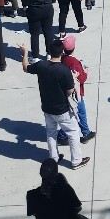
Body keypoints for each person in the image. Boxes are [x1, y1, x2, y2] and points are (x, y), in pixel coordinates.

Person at [20, 37, 90, 170]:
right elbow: (70, 92)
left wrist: (25, 53)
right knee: (73, 132)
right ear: (62, 52)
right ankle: (76, 161)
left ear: (49, 51)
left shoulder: (41, 65)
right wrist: (74, 79)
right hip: (62, 110)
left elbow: (25, 68)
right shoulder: (64, 70)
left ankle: (54, 158)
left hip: (47, 108)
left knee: (51, 133)